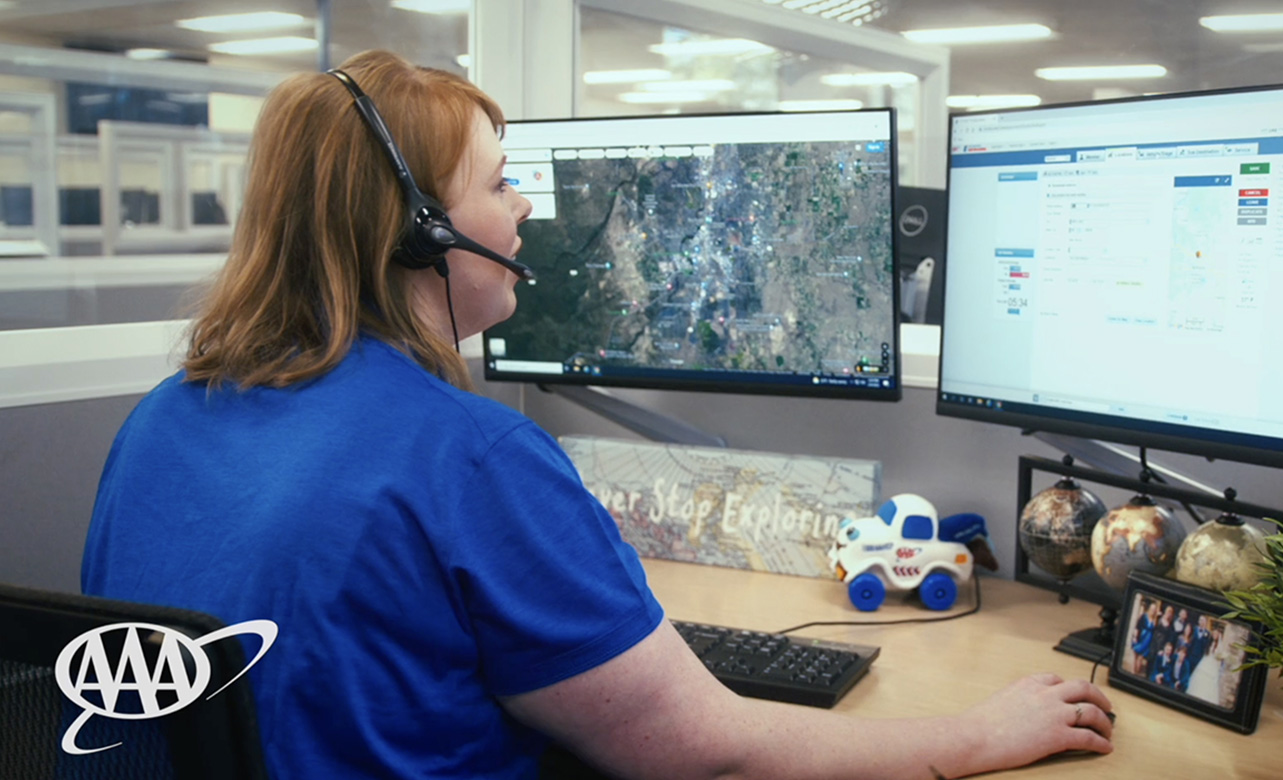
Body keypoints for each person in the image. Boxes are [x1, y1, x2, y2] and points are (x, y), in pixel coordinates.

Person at [81, 50, 1113, 780]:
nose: (528, 207)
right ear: (418, 233)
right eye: (499, 182)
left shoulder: (165, 418)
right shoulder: (468, 457)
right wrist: (979, 734)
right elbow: (712, 750)